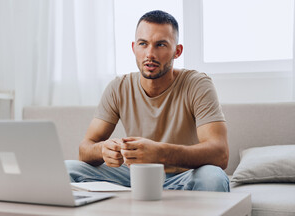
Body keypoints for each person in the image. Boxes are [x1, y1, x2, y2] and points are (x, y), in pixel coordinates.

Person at [66, 10, 230, 192]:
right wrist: (103, 149)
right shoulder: (119, 87)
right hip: (134, 176)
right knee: (67, 169)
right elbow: (85, 149)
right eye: (143, 44)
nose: (150, 54)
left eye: (160, 45)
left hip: (184, 177)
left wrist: (160, 153)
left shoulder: (197, 84)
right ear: (133, 48)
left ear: (177, 51)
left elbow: (220, 153)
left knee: (213, 178)